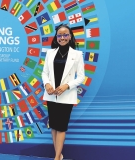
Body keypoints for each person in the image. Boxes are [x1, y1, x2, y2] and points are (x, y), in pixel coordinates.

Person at [42, 24, 85, 160]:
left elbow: (81, 77)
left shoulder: (77, 55)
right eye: (59, 35)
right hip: (51, 95)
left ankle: (56, 158)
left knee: (61, 127)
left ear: (70, 36)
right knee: (54, 126)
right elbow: (44, 73)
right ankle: (59, 155)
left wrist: (67, 85)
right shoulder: (50, 53)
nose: (62, 37)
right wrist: (47, 83)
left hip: (66, 96)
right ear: (56, 37)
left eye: (65, 34)